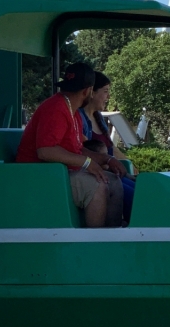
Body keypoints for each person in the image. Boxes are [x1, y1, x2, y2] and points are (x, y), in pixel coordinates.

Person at [16, 62, 123, 227]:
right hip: (37, 176)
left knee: (114, 182)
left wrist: (107, 159)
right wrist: (86, 163)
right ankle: (94, 240)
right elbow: (45, 151)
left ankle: (114, 236)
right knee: (97, 186)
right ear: (87, 91)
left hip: (56, 173)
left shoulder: (72, 110)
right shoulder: (55, 108)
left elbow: (77, 149)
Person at [79, 71, 136, 217]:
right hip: (97, 174)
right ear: (92, 92)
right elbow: (83, 149)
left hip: (111, 172)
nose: (108, 97)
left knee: (142, 189)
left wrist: (131, 166)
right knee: (136, 199)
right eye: (105, 92)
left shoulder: (98, 117)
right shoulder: (79, 118)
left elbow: (111, 148)